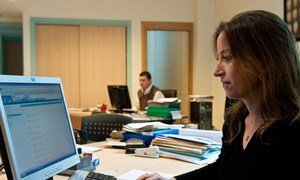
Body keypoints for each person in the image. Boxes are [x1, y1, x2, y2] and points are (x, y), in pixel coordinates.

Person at [137, 10, 300, 180]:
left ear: (265, 61)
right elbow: (221, 169)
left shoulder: (291, 132)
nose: (216, 71)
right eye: (218, 58)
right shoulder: (235, 120)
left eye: (227, 57)